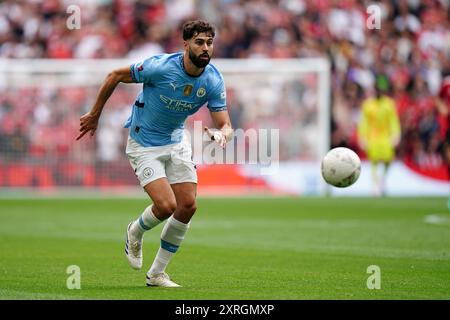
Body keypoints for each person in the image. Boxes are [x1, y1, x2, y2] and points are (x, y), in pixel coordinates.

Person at [77, 20, 233, 287]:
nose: (206, 48)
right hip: (144, 144)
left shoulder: (213, 80)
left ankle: (157, 274)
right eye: (199, 42)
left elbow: (225, 124)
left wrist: (222, 134)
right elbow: (114, 75)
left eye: (209, 42)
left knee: (188, 206)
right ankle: (135, 231)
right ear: (186, 44)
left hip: (175, 141)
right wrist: (95, 114)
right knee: (166, 206)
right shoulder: (161, 67)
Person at [358, 74, 401, 197]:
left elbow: (394, 121)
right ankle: (375, 185)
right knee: (374, 162)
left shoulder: (389, 104)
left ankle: (382, 179)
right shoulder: (368, 104)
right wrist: (362, 137)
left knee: (388, 160)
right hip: (373, 137)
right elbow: (364, 123)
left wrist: (396, 134)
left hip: (385, 137)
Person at [435, 73, 450, 209]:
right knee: (448, 159)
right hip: (449, 128)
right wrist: (443, 108)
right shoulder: (446, 83)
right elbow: (438, 99)